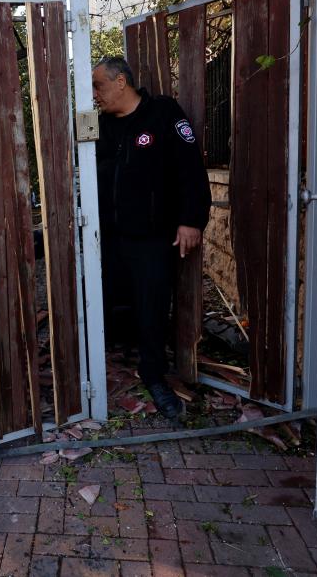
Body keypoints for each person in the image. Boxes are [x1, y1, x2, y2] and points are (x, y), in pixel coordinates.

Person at [93, 56, 211, 419]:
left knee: (152, 305)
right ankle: (112, 354)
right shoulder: (100, 126)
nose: (94, 94)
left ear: (121, 82)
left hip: (152, 237)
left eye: (98, 86)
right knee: (110, 298)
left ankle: (154, 374)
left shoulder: (163, 114)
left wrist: (191, 220)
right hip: (109, 236)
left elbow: (191, 169)